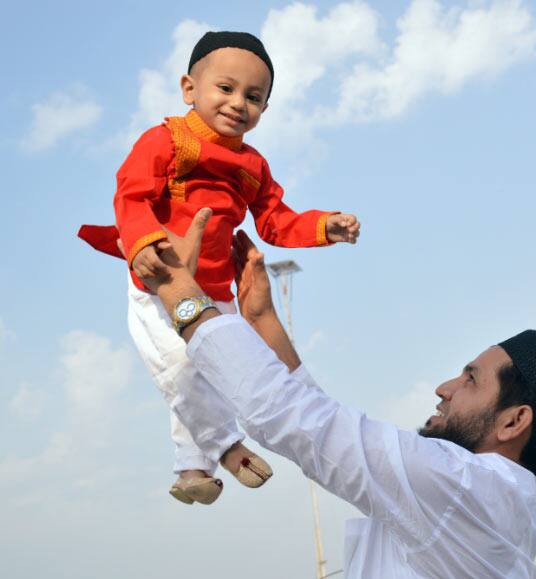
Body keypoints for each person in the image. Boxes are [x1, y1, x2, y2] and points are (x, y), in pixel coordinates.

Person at [142, 208, 536, 578]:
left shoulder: (463, 488)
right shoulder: (493, 500)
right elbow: (317, 423)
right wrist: (262, 319)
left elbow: (293, 419)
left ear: (513, 421)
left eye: (471, 379)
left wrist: (176, 288)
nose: (445, 389)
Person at [77, 31, 361, 505]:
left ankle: (191, 468)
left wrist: (325, 226)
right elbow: (131, 194)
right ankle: (226, 448)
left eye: (253, 96)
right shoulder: (166, 139)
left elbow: (275, 219)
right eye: (225, 89)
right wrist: (143, 242)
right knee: (182, 367)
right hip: (160, 279)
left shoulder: (253, 166)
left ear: (265, 109)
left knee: (215, 372)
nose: (237, 104)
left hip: (217, 290)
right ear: (190, 88)